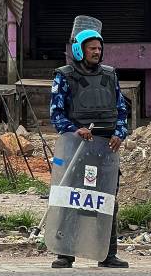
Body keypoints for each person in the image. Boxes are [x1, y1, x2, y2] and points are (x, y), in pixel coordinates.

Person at [49, 29, 129, 269]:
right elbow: (56, 114)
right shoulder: (64, 76)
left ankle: (107, 254)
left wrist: (119, 134)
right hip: (77, 148)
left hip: (106, 151)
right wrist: (76, 130)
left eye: (99, 48)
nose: (97, 52)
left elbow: (121, 111)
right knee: (71, 200)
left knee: (106, 202)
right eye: (92, 48)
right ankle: (65, 254)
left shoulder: (110, 75)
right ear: (79, 49)